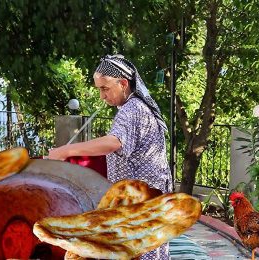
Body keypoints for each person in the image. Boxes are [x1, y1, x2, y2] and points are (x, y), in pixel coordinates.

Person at [48, 54, 173, 259]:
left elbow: (114, 142)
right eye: (99, 89)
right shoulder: (134, 107)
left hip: (140, 200)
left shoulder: (132, 109)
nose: (102, 96)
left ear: (123, 83)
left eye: (105, 88)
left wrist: (64, 151)